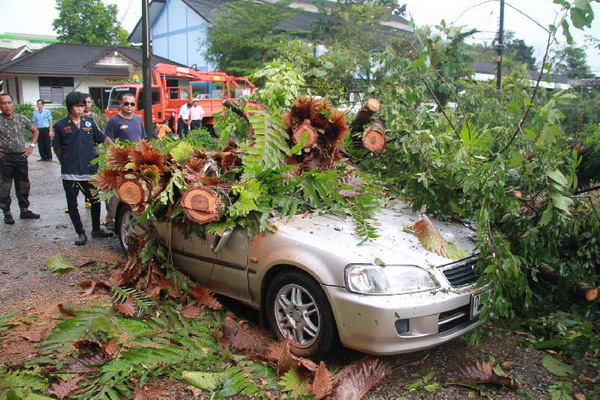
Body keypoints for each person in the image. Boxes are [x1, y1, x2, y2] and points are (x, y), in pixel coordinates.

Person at [53, 92, 114, 245]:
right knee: (72, 204)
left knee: (95, 201)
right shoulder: (60, 125)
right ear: (70, 107)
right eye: (77, 106)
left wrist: (116, 148)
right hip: (70, 173)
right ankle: (80, 233)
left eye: (82, 106)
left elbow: (102, 137)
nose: (80, 109)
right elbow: (57, 148)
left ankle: (96, 229)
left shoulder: (89, 123)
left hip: (89, 172)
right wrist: (65, 161)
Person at [0, 93, 41, 225]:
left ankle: (24, 210)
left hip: (20, 157)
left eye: (9, 102)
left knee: (23, 184)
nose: (7, 106)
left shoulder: (21, 118)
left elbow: (35, 131)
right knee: (4, 186)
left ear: (13, 104)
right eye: (3, 103)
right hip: (5, 158)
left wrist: (31, 146)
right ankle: (7, 212)